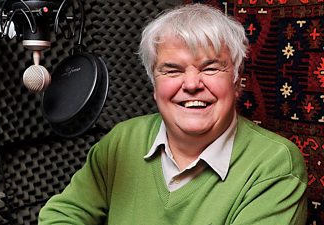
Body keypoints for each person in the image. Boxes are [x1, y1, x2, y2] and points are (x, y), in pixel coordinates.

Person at [39, 3, 307, 225]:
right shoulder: (122, 140)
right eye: (172, 70)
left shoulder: (275, 166)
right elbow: (61, 216)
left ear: (237, 82)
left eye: (211, 68)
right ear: (154, 86)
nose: (191, 84)